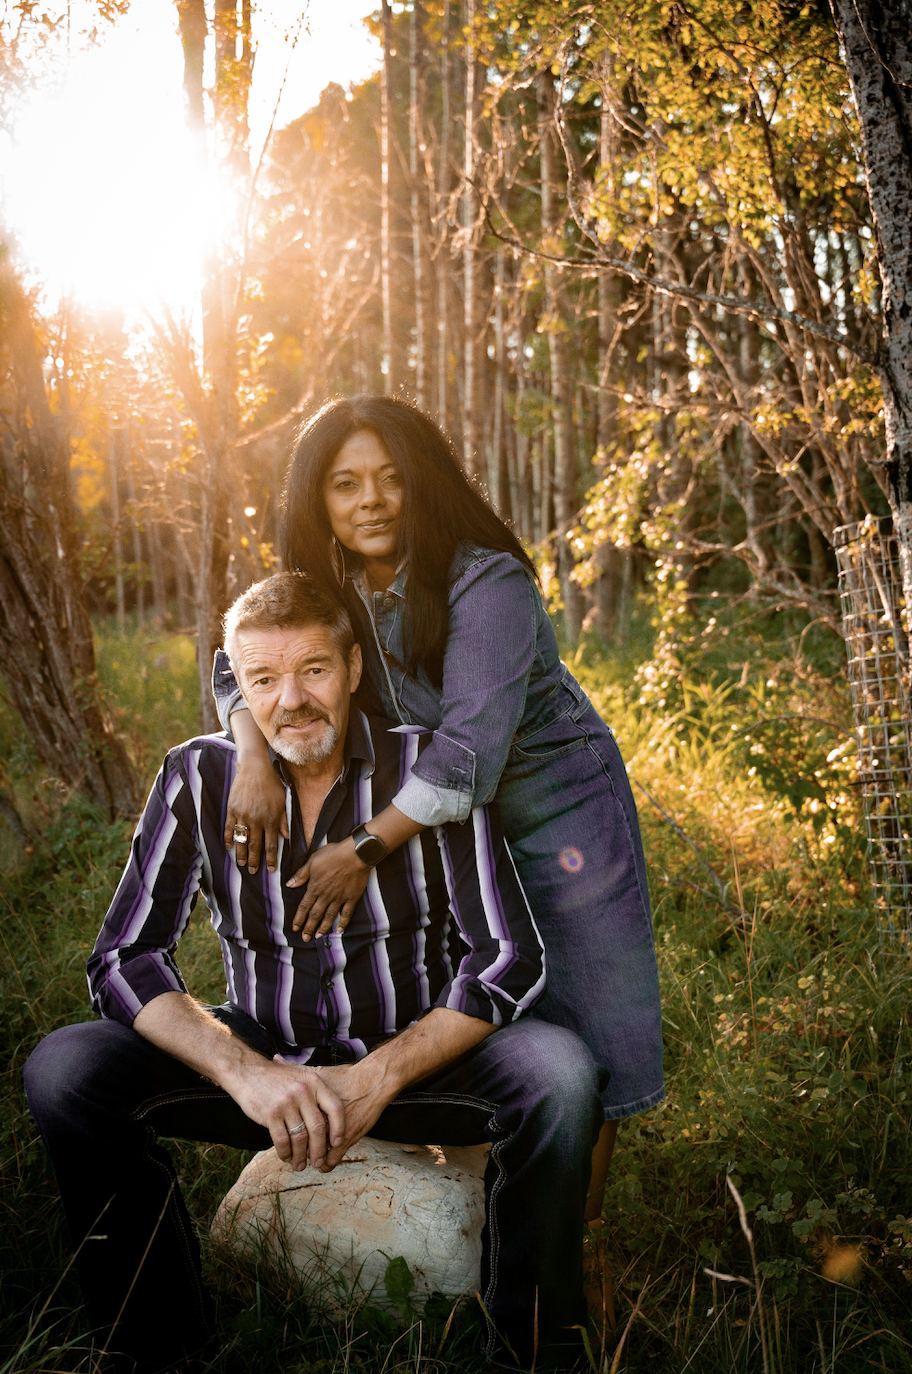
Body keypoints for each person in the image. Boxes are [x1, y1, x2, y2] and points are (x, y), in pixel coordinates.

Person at [24, 573, 604, 1374]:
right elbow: (124, 959)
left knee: (561, 1074)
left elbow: (505, 957)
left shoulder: (424, 775)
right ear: (238, 684)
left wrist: (380, 1075)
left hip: (413, 1065)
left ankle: (533, 1353)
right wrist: (247, 1074)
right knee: (65, 1069)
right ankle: (160, 1350)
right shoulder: (199, 779)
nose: (291, 700)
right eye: (263, 679)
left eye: (314, 672)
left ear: (355, 668)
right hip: (270, 1064)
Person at [213, 395, 665, 1217]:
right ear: (319, 499)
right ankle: (467, 1214)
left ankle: (575, 1242)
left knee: (589, 1025)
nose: (371, 501)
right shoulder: (329, 584)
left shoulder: (487, 579)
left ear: (423, 483)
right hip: (427, 818)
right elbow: (234, 660)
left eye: (390, 479)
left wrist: (362, 850)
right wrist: (250, 754)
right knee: (458, 996)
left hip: (550, 808)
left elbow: (468, 756)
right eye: (345, 484)